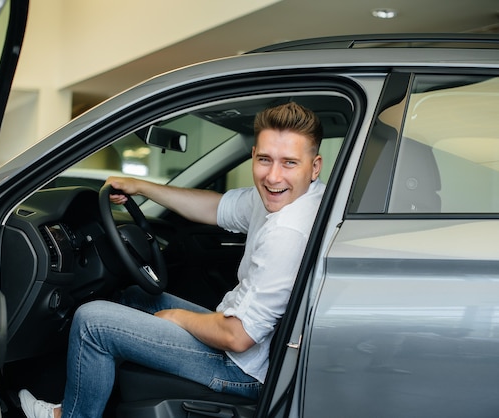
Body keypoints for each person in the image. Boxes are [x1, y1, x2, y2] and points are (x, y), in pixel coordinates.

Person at [19, 102, 325, 418]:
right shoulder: (294, 197)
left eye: (289, 163)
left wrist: (178, 317)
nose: (273, 176)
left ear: (314, 166)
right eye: (265, 159)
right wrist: (142, 187)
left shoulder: (287, 231)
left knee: (92, 322)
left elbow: (237, 336)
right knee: (137, 296)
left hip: (244, 370)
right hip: (250, 347)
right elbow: (215, 208)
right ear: (254, 157)